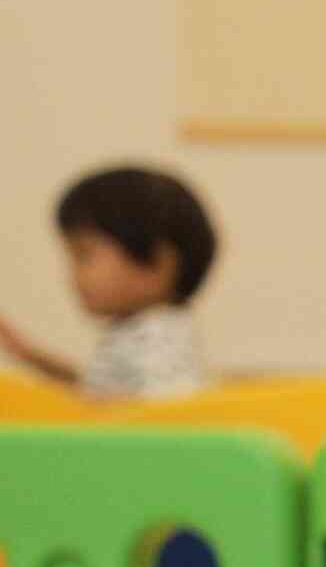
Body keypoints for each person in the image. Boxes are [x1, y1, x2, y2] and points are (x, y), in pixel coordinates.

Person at [0, 166, 218, 400]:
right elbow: (92, 389)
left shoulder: (161, 336)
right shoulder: (137, 330)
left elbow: (159, 413)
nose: (73, 274)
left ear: (157, 263)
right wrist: (30, 355)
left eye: (84, 255)